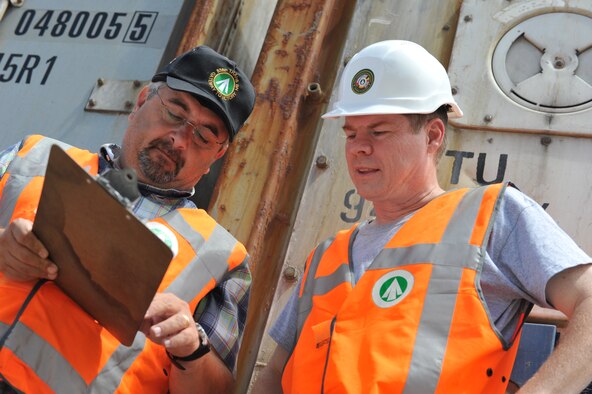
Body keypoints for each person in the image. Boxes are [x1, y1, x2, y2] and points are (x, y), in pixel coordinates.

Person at [252, 40, 592, 393]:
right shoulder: (325, 257)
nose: (359, 147)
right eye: (351, 133)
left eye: (378, 132)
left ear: (432, 135)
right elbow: (277, 373)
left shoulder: (492, 218)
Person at [0, 45, 256, 393]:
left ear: (218, 155)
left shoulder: (223, 259)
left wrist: (191, 350)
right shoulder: (33, 155)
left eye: (203, 135)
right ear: (142, 101)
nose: (179, 140)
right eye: (175, 113)